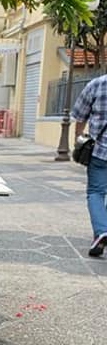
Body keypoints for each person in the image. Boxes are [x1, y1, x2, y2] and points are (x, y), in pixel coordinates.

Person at [71, 72, 107, 257]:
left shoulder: (97, 84)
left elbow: (80, 116)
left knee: (95, 192)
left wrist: (78, 138)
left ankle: (102, 232)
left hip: (100, 150)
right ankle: (101, 232)